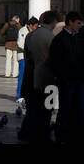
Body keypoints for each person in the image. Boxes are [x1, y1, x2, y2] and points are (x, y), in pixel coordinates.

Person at [48, 12, 84, 144]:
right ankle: (62, 136)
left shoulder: (79, 38)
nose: (80, 26)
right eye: (78, 23)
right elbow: (55, 61)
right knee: (65, 109)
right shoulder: (60, 39)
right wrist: (62, 75)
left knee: (80, 109)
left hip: (80, 81)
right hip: (66, 81)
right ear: (70, 22)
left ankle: (78, 135)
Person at [22, 10, 60, 144]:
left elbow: (26, 55)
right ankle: (43, 135)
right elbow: (55, 58)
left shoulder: (30, 35)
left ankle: (27, 132)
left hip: (31, 76)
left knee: (32, 107)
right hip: (47, 78)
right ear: (54, 22)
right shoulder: (51, 37)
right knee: (46, 109)